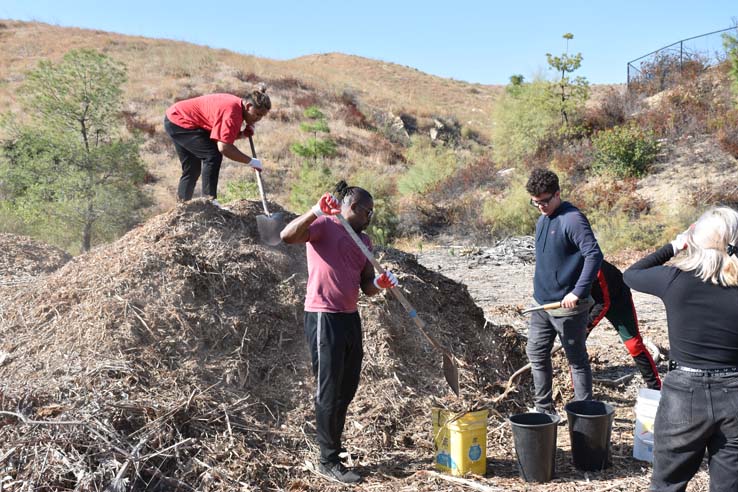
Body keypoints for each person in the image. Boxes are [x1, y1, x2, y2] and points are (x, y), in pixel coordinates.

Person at [280, 181, 398, 484]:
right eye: (368, 212)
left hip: (349, 317)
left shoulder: (365, 242)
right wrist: (314, 211)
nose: (370, 218)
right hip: (323, 316)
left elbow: (367, 287)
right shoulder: (325, 226)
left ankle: (333, 445)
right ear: (353, 207)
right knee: (329, 389)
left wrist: (381, 285)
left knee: (347, 388)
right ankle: (327, 460)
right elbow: (287, 236)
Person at [623, 207, 738, 491]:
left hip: (683, 394)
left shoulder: (674, 279)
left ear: (694, 240)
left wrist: (675, 245)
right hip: (735, 392)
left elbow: (632, 274)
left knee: (667, 485)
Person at [525, 168, 603, 420]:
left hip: (567, 306)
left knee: (576, 359)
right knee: (536, 354)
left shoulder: (572, 219)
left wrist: (578, 292)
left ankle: (583, 413)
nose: (541, 207)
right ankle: (544, 409)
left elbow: (594, 255)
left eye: (545, 201)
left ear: (558, 194)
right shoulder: (542, 219)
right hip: (541, 304)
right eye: (535, 202)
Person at [163, 87, 271, 204]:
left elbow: (222, 135)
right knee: (212, 156)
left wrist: (242, 134)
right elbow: (224, 147)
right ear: (249, 106)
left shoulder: (237, 109)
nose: (258, 119)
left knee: (192, 169)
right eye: (257, 114)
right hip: (180, 120)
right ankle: (210, 202)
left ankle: (182, 205)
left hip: (179, 118)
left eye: (262, 116)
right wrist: (251, 161)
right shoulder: (232, 112)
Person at [588, 259, 662, 390]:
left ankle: (655, 387)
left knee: (634, 344)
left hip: (617, 299)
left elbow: (604, 303)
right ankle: (579, 392)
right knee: (575, 345)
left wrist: (586, 326)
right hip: (588, 300)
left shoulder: (595, 265)